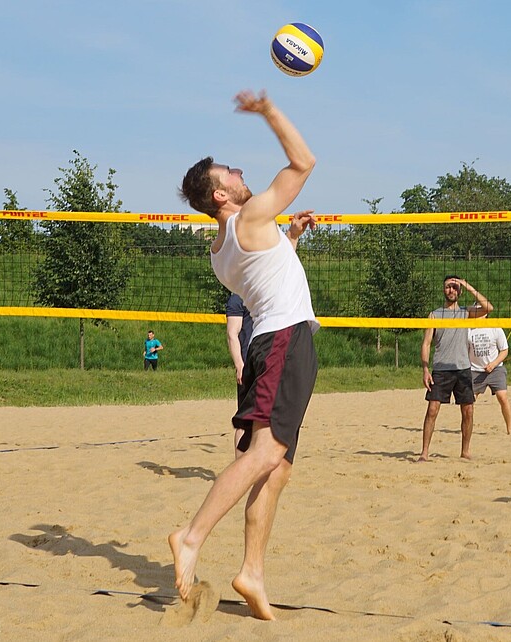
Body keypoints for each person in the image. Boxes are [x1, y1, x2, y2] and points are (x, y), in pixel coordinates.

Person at [170, 89, 319, 619]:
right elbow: (304, 162)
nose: (237, 171)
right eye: (227, 172)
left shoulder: (222, 248)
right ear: (220, 196)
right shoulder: (252, 217)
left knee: (275, 468)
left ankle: (252, 571)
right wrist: (270, 110)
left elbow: (268, 275)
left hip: (266, 343)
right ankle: (190, 536)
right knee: (260, 457)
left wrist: (292, 238)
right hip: (284, 341)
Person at [420, 275, 492, 461]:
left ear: (459, 291)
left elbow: (488, 307)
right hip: (441, 369)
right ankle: (424, 453)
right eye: (447, 287)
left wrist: (467, 285)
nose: (451, 290)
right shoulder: (435, 314)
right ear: (443, 290)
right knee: (432, 410)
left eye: (454, 287)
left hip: (462, 369)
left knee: (468, 410)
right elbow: (426, 343)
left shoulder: (465, 313)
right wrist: (426, 369)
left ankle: (465, 451)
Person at [467, 317, 511, 435]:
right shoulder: (468, 329)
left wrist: (493, 364)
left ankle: (510, 429)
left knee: (502, 397)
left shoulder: (495, 327)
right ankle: (468, 429)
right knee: (469, 402)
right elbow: (465, 351)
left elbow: (504, 350)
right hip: (475, 370)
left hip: (495, 369)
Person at [225, 293, 254, 456]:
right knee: (244, 421)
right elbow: (232, 334)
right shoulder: (237, 298)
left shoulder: (263, 292)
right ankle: (240, 468)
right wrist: (239, 364)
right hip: (248, 365)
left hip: (266, 362)